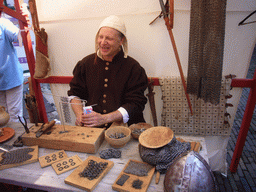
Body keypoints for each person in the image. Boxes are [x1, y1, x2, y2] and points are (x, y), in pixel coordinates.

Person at [68, 15, 148, 129]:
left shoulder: (133, 68)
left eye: (109, 38)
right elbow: (75, 94)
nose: (103, 42)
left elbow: (135, 104)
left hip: (125, 130)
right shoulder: (85, 64)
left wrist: (105, 118)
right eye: (100, 37)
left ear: (121, 41)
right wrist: (80, 115)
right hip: (93, 130)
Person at [0, 4, 30, 122]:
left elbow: (20, 37)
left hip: (11, 77)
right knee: (3, 114)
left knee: (14, 115)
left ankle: (18, 139)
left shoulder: (3, 23)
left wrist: (24, 21)